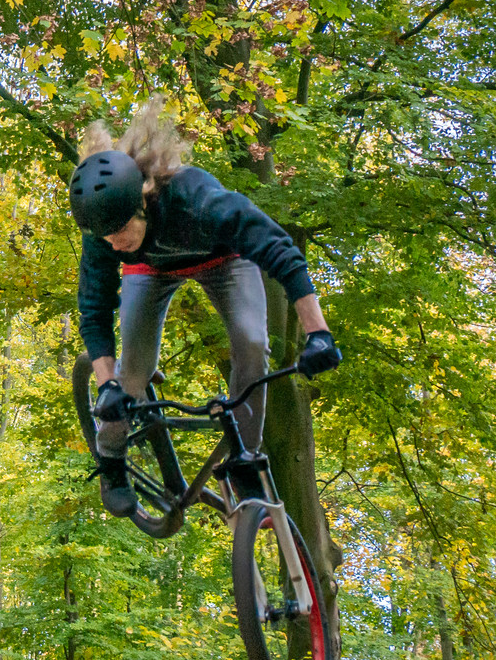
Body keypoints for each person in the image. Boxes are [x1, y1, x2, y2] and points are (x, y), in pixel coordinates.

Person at [72, 100, 342, 518]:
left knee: (253, 342)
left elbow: (280, 252)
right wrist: (106, 385)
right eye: (104, 237)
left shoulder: (198, 200)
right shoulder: (105, 230)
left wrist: (318, 333)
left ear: (142, 202)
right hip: (150, 269)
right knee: (134, 371)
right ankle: (110, 458)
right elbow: (94, 308)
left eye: (120, 232)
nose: (112, 244)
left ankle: (244, 460)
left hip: (223, 259)